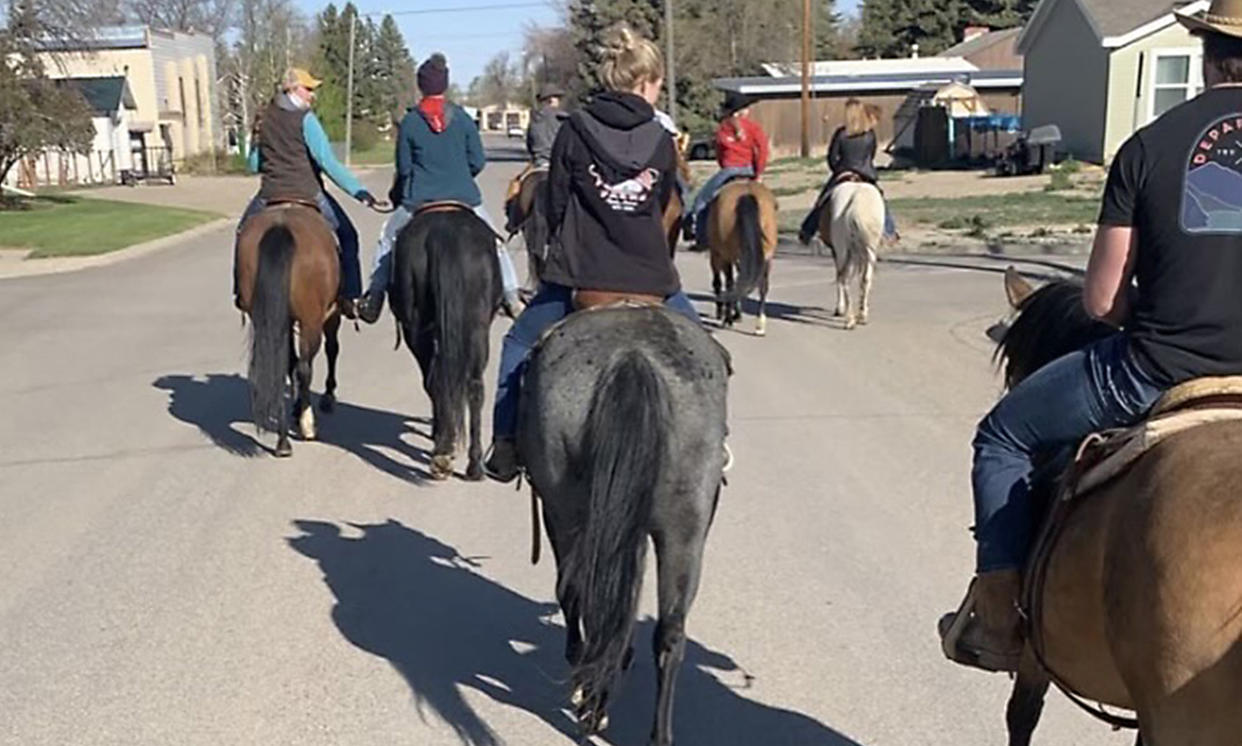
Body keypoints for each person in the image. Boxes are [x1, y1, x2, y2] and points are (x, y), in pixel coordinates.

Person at [939, 0, 1242, 674]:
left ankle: (997, 620)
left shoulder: (1150, 146)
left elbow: (1102, 300)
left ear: (1207, 55)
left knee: (1003, 439)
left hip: (1158, 370)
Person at [483, 24, 700, 482]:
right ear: (645, 82)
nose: (658, 91)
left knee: (518, 343)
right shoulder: (661, 141)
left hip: (582, 278)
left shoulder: (574, 130)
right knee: (706, 354)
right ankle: (711, 445)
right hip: (651, 280)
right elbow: (662, 206)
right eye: (658, 83)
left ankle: (505, 444)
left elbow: (556, 202)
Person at [357, 53, 522, 323]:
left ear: (421, 86)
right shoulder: (463, 119)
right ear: (445, 86)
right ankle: (512, 297)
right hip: (464, 198)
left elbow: (405, 168)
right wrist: (459, 176)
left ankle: (374, 296)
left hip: (419, 200)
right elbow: (478, 161)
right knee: (495, 241)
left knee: (388, 239)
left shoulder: (410, 122)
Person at [234, 67, 378, 316]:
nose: (312, 95)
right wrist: (359, 192)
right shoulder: (306, 119)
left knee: (242, 233)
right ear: (292, 89)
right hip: (308, 192)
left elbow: (253, 165)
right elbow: (326, 161)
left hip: (269, 194)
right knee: (348, 235)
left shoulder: (263, 118)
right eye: (308, 89)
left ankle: (240, 292)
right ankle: (351, 298)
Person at [798, 99, 897, 245]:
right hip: (865, 174)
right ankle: (889, 231)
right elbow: (870, 156)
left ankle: (808, 230)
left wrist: (838, 170)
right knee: (880, 200)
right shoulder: (869, 134)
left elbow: (832, 157)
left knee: (822, 201)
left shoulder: (841, 134)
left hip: (843, 173)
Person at [684, 91, 770, 246]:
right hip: (749, 169)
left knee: (702, 200)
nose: (749, 111)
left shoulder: (723, 128)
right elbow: (762, 150)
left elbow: (719, 153)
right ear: (742, 110)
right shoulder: (753, 127)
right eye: (747, 108)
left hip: (730, 170)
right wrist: (758, 172)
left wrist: (725, 167)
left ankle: (700, 236)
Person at [504, 85, 567, 232]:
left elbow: (530, 146)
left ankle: (513, 222)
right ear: (552, 99)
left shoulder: (534, 122)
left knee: (517, 187)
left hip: (538, 164)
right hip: (559, 166)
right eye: (557, 99)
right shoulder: (564, 119)